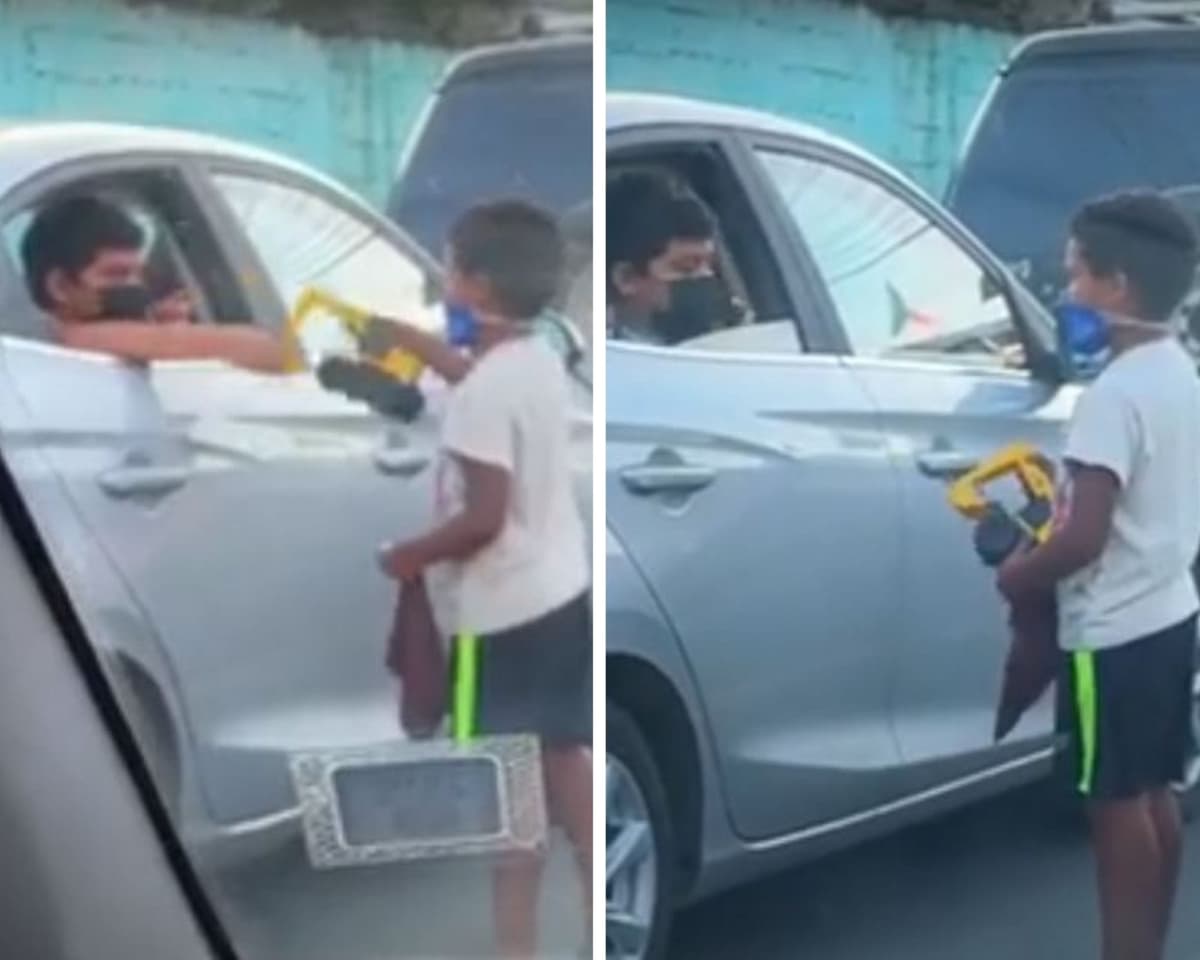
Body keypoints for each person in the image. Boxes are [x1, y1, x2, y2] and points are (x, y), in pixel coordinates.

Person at [376, 200, 591, 959]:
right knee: (567, 756)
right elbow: (478, 381)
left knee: (508, 799)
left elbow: (484, 518)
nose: (444, 285)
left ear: (471, 285)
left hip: (498, 617)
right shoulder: (534, 359)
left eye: (448, 270)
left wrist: (409, 553)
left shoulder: (478, 397)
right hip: (562, 596)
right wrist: (417, 346)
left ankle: (514, 950)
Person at [998, 190, 1200, 960]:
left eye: (1077, 273)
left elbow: (1082, 536)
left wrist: (1019, 575)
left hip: (1109, 633)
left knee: (1112, 806)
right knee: (1155, 794)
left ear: (1117, 285)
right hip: (1170, 615)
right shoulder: (1177, 371)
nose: (1067, 291)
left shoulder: (1111, 397)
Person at [20, 194, 290, 372]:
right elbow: (268, 350)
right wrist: (167, 336)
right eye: (116, 274)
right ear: (61, 287)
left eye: (139, 274)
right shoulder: (62, 339)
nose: (135, 287)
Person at [606, 169, 738, 344]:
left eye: (711, 266)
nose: (706, 276)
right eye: (686, 268)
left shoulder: (730, 336)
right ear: (626, 278)